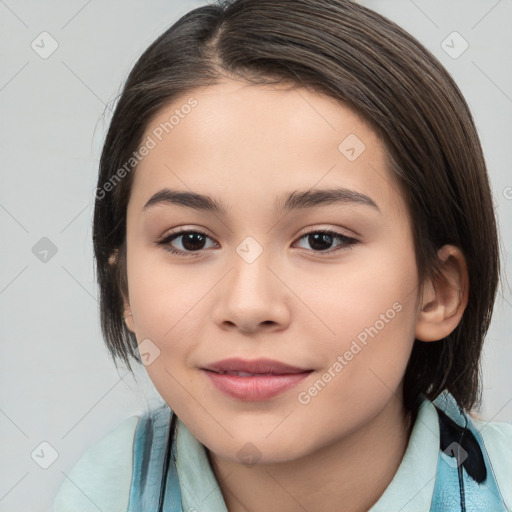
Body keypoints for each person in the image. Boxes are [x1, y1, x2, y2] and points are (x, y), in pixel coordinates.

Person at [53, 0, 512, 510]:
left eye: (322, 239)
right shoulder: (97, 494)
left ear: (438, 290)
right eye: (190, 240)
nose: (248, 306)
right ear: (125, 289)